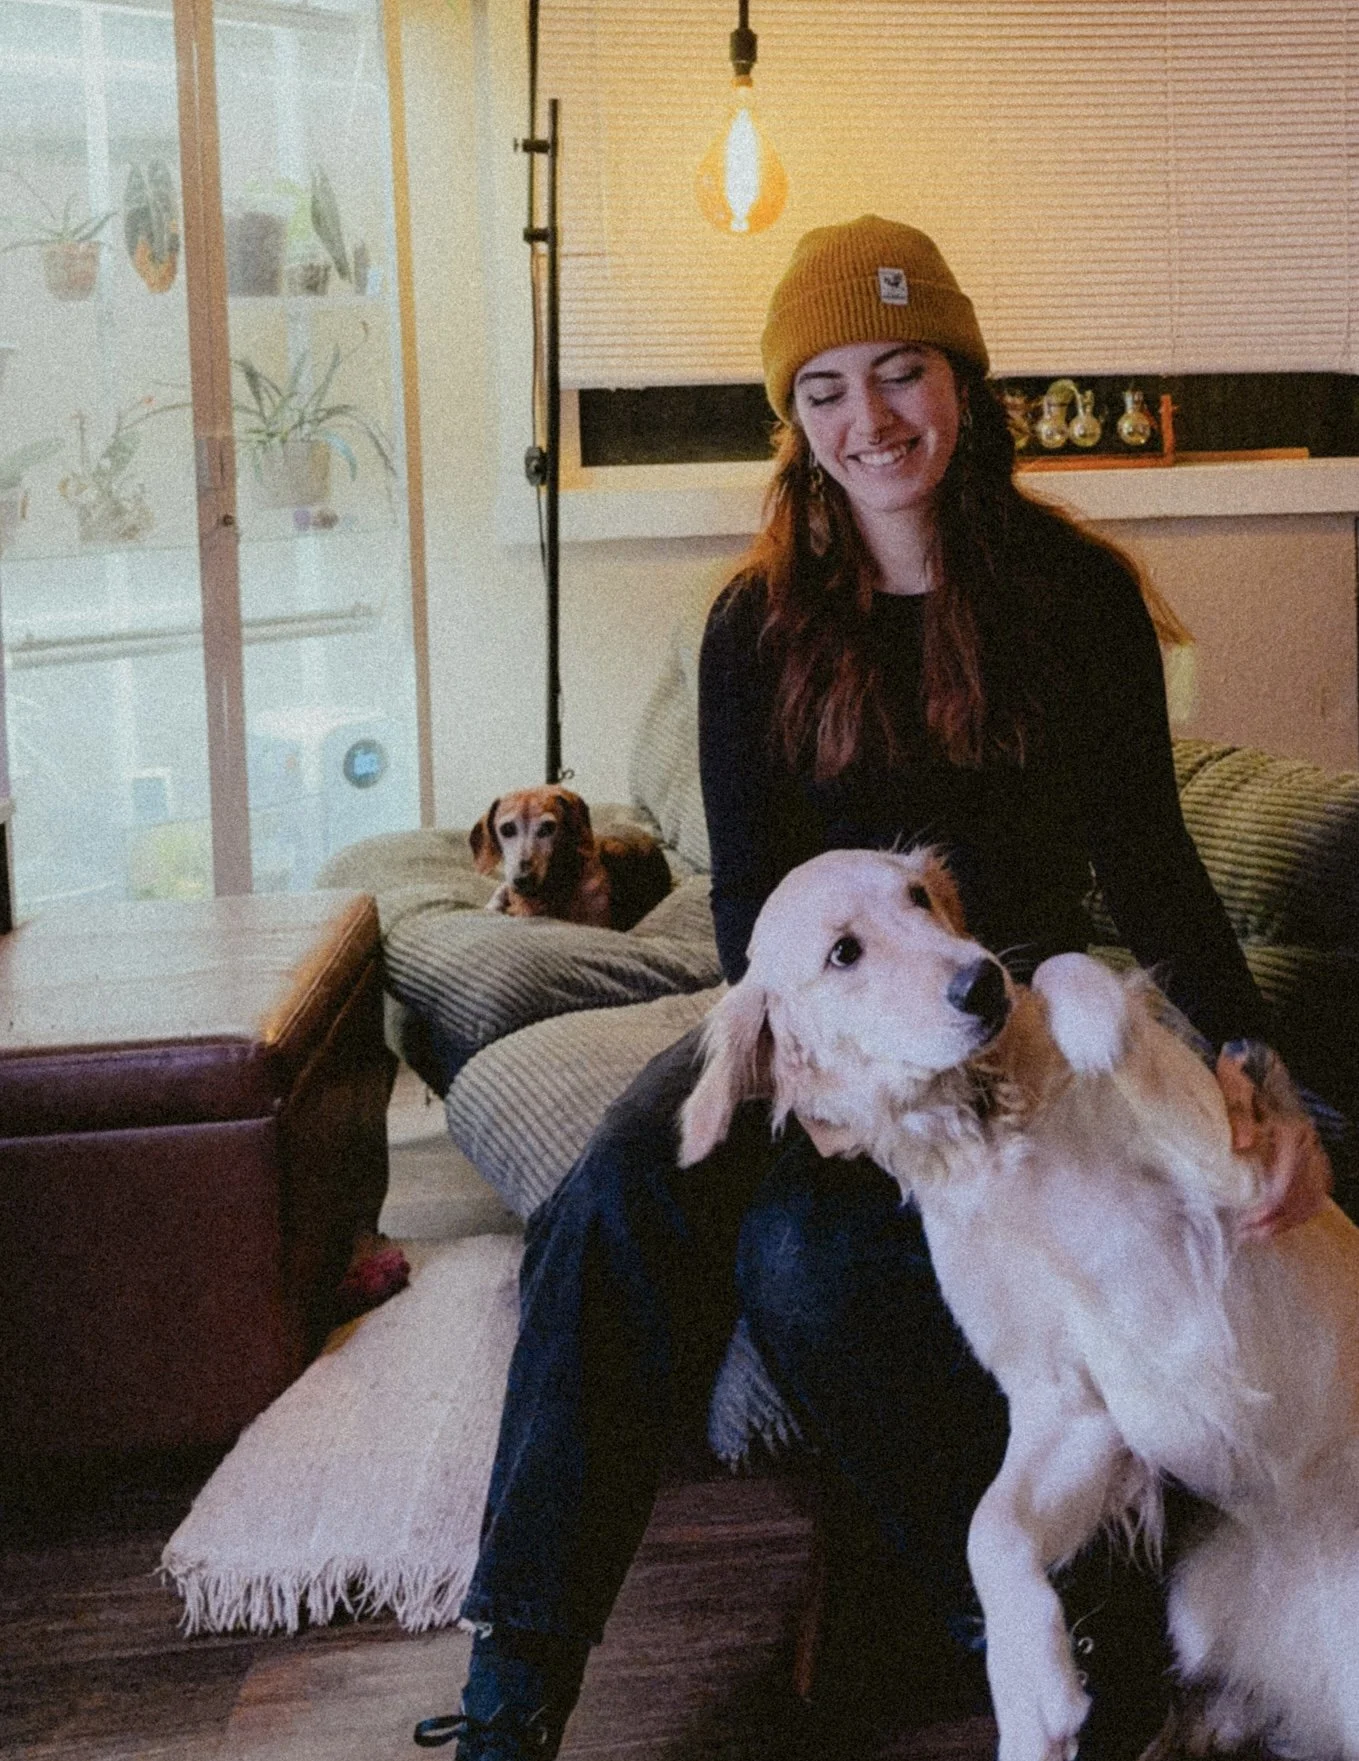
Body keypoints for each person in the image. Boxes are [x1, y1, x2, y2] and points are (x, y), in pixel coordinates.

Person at [413, 216, 1340, 1760]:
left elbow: (1154, 870)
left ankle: (1042, 1643)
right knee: (611, 1207)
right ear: (795, 422)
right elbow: (752, 934)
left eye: (899, 374)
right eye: (826, 389)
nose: (869, 420)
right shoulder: (751, 626)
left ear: (961, 385)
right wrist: (816, 1087)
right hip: (817, 1033)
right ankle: (513, 1688)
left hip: (1008, 1028)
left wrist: (1257, 1072)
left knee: (801, 1262)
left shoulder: (1075, 596)